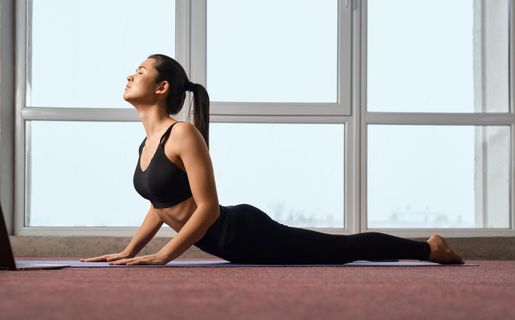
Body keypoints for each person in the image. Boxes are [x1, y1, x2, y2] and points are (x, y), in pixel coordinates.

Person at [81, 54, 464, 266]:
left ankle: (428, 248)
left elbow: (208, 208)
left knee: (340, 251)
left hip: (243, 232)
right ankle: (419, 249)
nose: (129, 75)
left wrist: (163, 256)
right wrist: (131, 250)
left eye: (141, 71)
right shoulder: (146, 144)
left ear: (162, 88)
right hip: (228, 244)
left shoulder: (182, 134)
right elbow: (161, 205)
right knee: (339, 252)